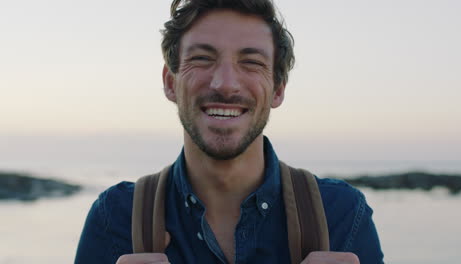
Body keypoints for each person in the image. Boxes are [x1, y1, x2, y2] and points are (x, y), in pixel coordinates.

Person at [75, 0, 384, 263]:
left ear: (277, 89)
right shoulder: (114, 218)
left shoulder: (342, 216)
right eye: (202, 59)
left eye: (251, 62)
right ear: (171, 83)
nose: (225, 83)